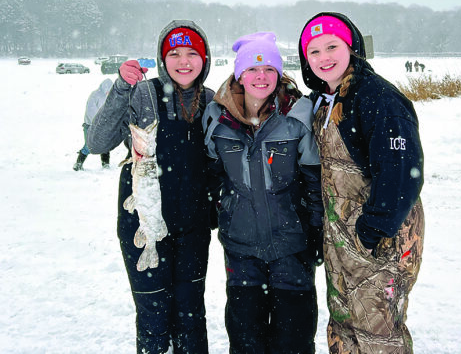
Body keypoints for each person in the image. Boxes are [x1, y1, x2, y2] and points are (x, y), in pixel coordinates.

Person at [298, 12, 425, 353]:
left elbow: (402, 172)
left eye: (332, 47)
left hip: (379, 243)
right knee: (344, 329)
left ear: (351, 47)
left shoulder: (378, 98)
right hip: (342, 244)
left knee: (379, 334)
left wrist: (373, 230)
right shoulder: (323, 101)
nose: (324, 58)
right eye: (314, 51)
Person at [87, 20, 215, 354]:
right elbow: (98, 142)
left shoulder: (214, 101)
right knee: (153, 317)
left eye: (192, 53)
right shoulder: (143, 93)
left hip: (193, 229)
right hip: (141, 225)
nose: (183, 61)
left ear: (205, 59)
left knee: (191, 317)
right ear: (162, 57)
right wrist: (119, 90)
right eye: (174, 53)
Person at [203, 32, 324, 354]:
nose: (261, 76)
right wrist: (221, 213)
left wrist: (316, 231)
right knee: (246, 342)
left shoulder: (298, 116)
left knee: (294, 342)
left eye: (269, 69)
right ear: (239, 74)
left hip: (292, 247)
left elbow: (314, 180)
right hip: (241, 249)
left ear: (279, 74)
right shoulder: (217, 118)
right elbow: (212, 176)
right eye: (253, 69)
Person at [73, 78, 113, 171]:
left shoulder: (110, 97)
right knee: (89, 145)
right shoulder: (95, 95)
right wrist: (98, 123)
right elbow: (91, 111)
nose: (108, 92)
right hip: (90, 125)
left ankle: (105, 164)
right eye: (107, 90)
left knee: (105, 145)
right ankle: (78, 164)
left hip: (103, 125)